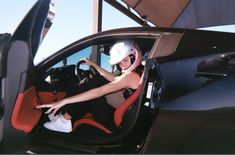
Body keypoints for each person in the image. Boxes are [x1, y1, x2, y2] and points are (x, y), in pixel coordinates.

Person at [36, 40, 143, 133]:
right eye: (120, 62)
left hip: (115, 123)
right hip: (122, 118)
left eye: (125, 60)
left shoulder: (130, 76)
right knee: (94, 82)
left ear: (134, 56)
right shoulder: (137, 74)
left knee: (90, 86)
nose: (122, 65)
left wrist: (64, 101)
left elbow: (98, 92)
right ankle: (62, 116)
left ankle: (64, 121)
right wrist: (93, 65)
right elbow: (114, 79)